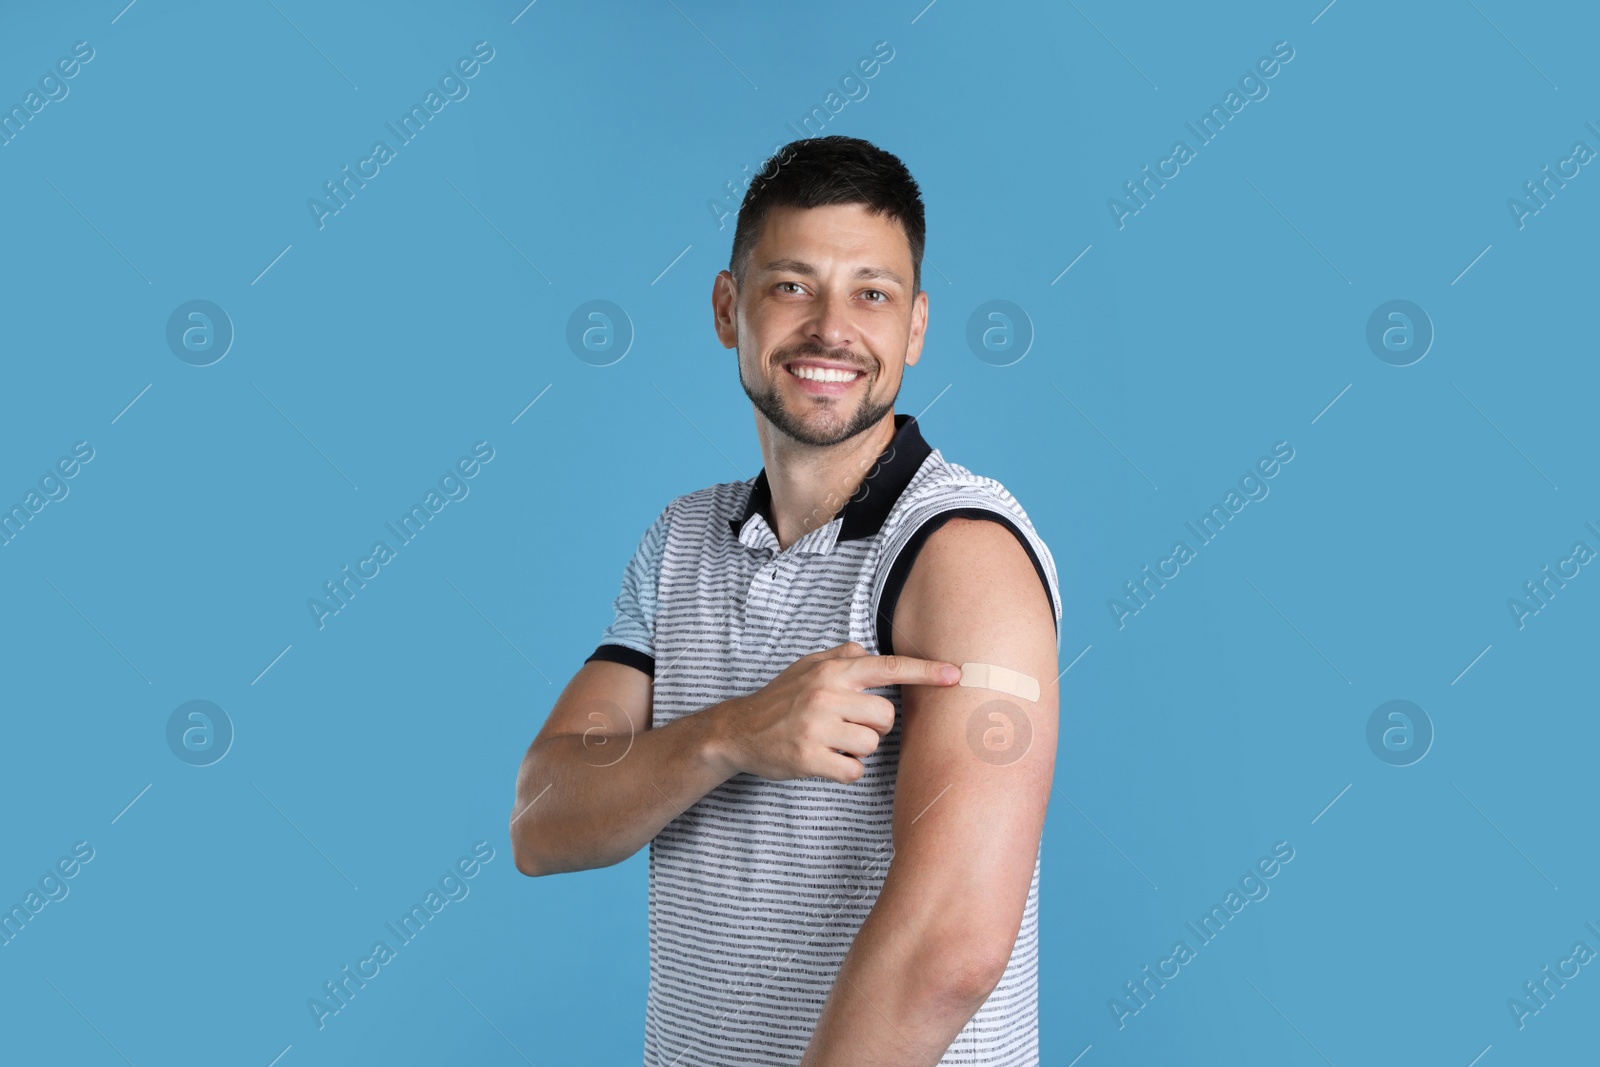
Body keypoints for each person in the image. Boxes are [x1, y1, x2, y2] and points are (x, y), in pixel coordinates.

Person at [510, 135, 1062, 1067]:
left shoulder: (961, 552)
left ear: (916, 328)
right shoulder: (682, 540)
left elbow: (952, 951)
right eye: (793, 285)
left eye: (872, 294)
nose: (832, 329)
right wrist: (733, 732)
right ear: (730, 308)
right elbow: (543, 818)